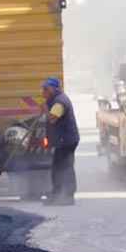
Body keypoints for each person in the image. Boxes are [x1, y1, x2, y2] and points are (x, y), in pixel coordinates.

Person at [41, 76, 80, 206]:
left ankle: (64, 195)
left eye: (45, 89)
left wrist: (46, 110)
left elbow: (52, 119)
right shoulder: (56, 100)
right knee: (61, 166)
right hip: (65, 139)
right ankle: (60, 194)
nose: (43, 92)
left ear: (53, 89)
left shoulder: (59, 102)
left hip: (66, 140)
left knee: (63, 167)